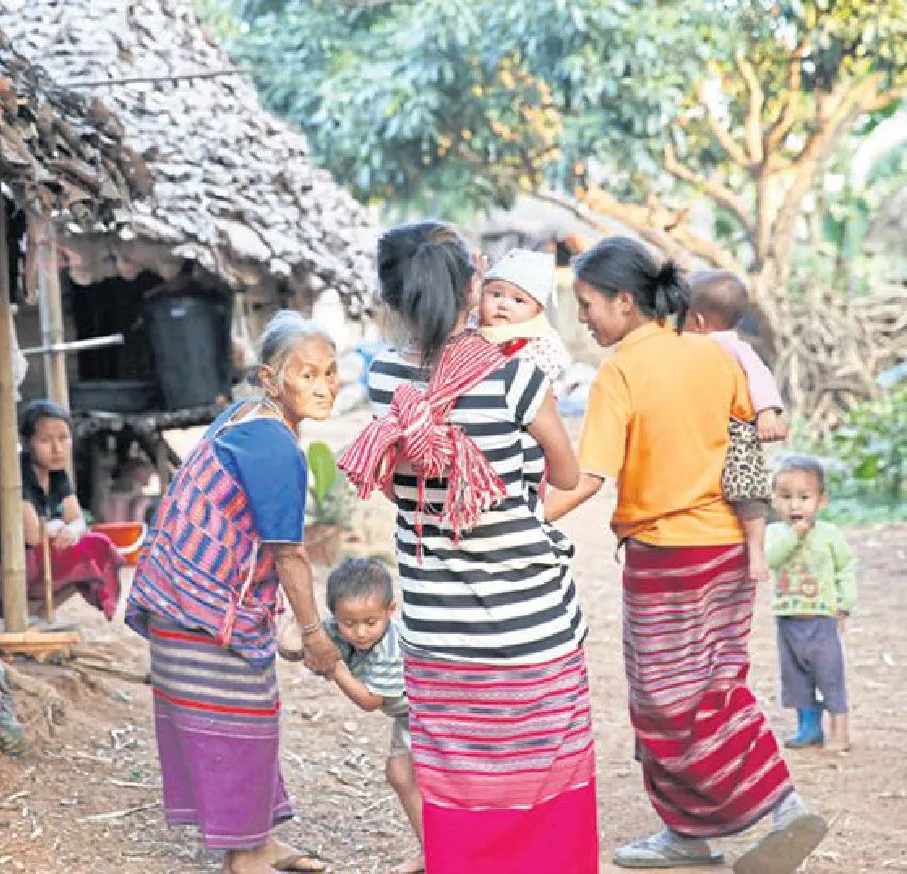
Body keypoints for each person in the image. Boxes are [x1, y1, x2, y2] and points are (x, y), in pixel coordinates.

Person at [545, 236, 826, 874]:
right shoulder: (709, 354)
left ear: (624, 301)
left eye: (589, 305)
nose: (584, 318)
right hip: (728, 548)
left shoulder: (621, 372)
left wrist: (518, 522)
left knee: (661, 702)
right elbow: (753, 422)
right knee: (715, 686)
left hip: (667, 557)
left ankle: (771, 806)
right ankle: (696, 830)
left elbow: (588, 476)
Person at [338, 220, 596, 874]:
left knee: (460, 792)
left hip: (438, 637)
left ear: (393, 297)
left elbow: (399, 489)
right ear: (474, 284)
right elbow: (565, 478)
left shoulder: (384, 381)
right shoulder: (514, 380)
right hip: (530, 630)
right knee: (544, 791)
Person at [125, 310, 341, 874]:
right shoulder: (272, 442)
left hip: (184, 603)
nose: (323, 387)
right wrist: (315, 635)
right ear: (272, 380)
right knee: (241, 723)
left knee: (256, 718)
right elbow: (288, 551)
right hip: (201, 614)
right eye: (308, 375)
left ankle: (258, 840)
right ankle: (244, 857)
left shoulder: (245, 415)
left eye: (330, 374)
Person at [0, 400, 123, 620]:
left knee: (98, 546)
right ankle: (21, 614)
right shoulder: (15, 476)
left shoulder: (57, 474)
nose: (57, 448)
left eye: (63, 438)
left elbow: (78, 520)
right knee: (78, 553)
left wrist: (73, 530)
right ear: (27, 443)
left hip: (29, 569)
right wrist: (59, 526)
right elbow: (33, 535)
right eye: (45, 440)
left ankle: (36, 613)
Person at [686, 271, 789, 582]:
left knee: (749, 491)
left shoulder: (731, 347)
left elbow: (761, 378)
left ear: (699, 321)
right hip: (707, 426)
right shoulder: (688, 344)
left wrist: (767, 412)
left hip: (738, 430)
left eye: (683, 317)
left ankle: (756, 551)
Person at [321, 558, 423, 874]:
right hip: (406, 716)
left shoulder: (391, 647)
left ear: (390, 611)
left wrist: (334, 666)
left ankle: (451, 852)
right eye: (349, 624)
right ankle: (431, 850)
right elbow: (297, 639)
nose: (360, 633)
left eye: (370, 621)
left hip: (429, 713)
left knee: (412, 775)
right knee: (400, 775)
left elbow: (369, 700)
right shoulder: (339, 629)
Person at [767, 455, 855, 752]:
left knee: (830, 677)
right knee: (796, 680)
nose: (795, 506)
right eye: (786, 497)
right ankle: (808, 728)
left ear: (821, 500)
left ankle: (839, 733)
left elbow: (845, 567)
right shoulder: (775, 534)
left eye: (804, 497)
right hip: (788, 620)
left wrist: (844, 604)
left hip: (822, 619)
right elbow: (771, 559)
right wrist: (794, 535)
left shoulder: (830, 535)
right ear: (774, 501)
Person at [479, 248, 573, 395]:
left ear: (537, 310)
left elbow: (547, 385)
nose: (503, 304)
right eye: (496, 294)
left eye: (518, 300)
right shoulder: (470, 330)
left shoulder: (542, 343)